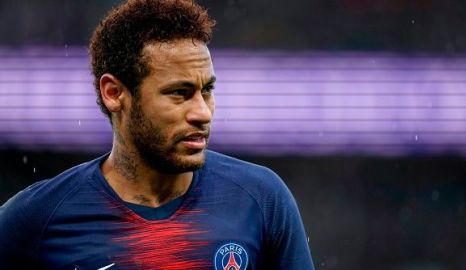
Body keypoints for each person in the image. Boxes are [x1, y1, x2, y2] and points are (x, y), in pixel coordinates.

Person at [0, 0, 315, 269]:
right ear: (114, 93)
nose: (202, 112)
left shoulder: (261, 199)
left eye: (207, 91)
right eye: (179, 93)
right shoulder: (38, 218)